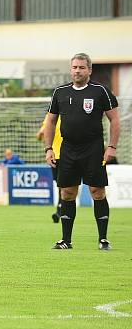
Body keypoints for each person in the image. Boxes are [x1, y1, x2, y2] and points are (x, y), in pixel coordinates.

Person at [43, 52, 120, 251]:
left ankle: (103, 239)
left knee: (97, 192)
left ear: (89, 70)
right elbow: (50, 122)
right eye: (75, 67)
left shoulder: (100, 91)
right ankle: (66, 241)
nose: (77, 71)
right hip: (67, 149)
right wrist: (49, 148)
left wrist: (111, 146)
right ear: (71, 69)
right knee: (67, 193)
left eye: (82, 67)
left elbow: (115, 120)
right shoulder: (59, 92)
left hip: (93, 148)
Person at [37, 117, 63, 223]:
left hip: (66, 154)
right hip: (55, 156)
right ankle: (60, 210)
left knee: (64, 187)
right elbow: (40, 135)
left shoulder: (68, 112)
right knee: (61, 186)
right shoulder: (51, 116)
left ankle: (60, 210)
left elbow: (40, 135)